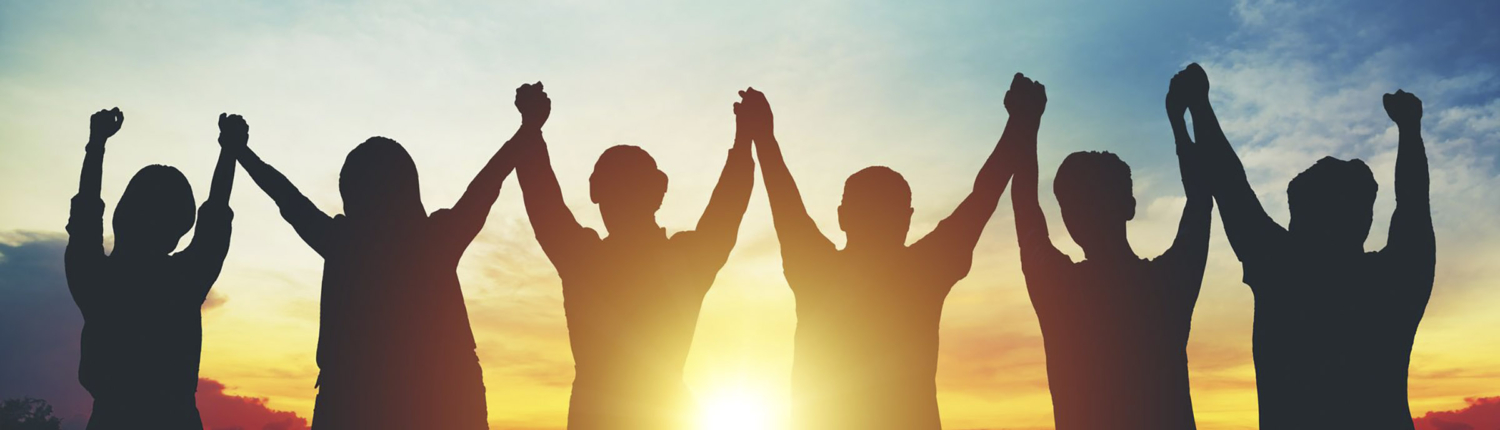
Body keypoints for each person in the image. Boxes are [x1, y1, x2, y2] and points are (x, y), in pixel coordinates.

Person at [229, 85, 540, 429]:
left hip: (357, 399)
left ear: (352, 194)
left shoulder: (343, 243)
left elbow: (287, 199)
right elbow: (487, 184)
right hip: (441, 398)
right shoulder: (434, 239)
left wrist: (240, 152)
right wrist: (528, 127)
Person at [740, 74, 1036, 429]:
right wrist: (1021, 123)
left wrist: (762, 135)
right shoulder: (924, 271)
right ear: (906, 219)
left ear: (842, 216)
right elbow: (983, 196)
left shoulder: (817, 270)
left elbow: (784, 200)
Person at [1183, 63, 1435, 429]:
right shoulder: (1395, 280)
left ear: (1298, 219)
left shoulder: (1281, 268)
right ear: (1364, 219)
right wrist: (1409, 129)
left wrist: (1199, 105)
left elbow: (1229, 184)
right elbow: (1413, 205)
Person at [512, 86, 755, 430]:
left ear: (594, 192)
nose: (618, 197)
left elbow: (542, 200)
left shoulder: (585, 260)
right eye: (614, 185)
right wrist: (745, 140)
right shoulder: (685, 261)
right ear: (659, 190)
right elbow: (727, 209)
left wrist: (531, 129)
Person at [1009, 70, 1214, 429]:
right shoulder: (1169, 283)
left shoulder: (1056, 287)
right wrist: (1182, 117)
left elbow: (1025, 203)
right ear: (1130, 206)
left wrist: (1026, 125)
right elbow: (1200, 200)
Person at [66, 108, 240, 429]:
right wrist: (229, 151)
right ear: (179, 228)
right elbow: (215, 219)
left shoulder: (95, 278)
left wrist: (96, 144)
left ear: (122, 217)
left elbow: (86, 216)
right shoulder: (184, 281)